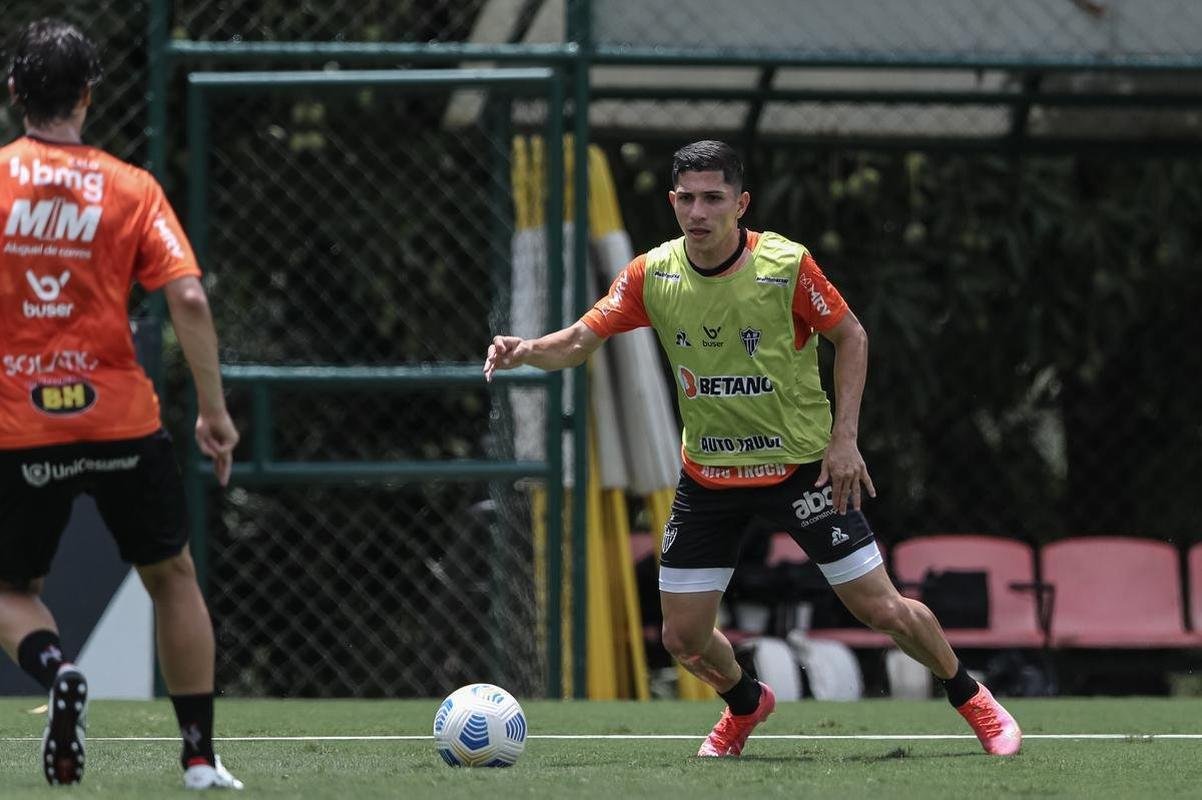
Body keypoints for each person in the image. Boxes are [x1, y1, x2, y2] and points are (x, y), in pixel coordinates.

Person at [484, 139, 1021, 757]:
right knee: (682, 639)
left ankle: (972, 698)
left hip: (801, 471)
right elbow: (580, 340)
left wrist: (844, 440)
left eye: (713, 198)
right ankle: (745, 703)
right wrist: (527, 350)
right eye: (687, 199)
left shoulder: (785, 266)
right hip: (709, 478)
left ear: (741, 204)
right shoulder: (652, 274)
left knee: (882, 610)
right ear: (672, 201)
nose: (698, 212)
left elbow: (851, 336)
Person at [0, 19, 243, 789]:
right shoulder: (131, 188)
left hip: (20, 424)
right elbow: (190, 299)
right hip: (120, 421)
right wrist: (213, 411)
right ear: (88, 95)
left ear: (14, 91)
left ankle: (59, 670)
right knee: (172, 575)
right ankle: (199, 758)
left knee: (9, 591)